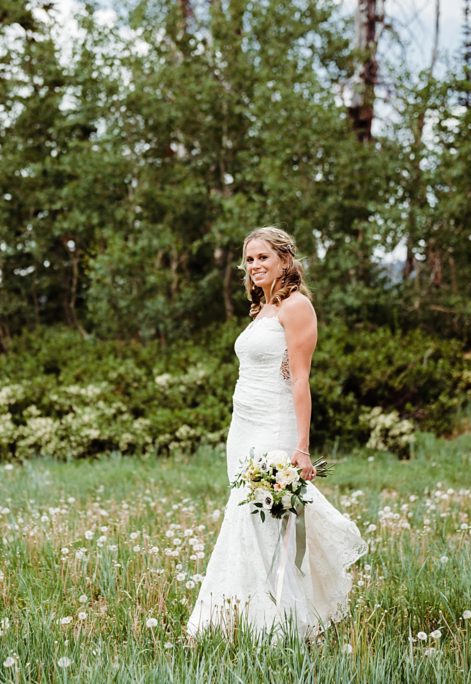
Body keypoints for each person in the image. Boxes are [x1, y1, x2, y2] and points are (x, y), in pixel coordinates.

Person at [186, 226, 368, 641]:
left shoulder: (297, 307)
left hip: (274, 426)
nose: (254, 266)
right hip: (243, 429)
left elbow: (300, 380)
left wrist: (301, 448)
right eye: (249, 259)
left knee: (265, 518)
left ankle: (279, 627)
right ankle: (241, 618)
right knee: (245, 518)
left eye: (263, 257)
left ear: (285, 260)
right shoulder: (263, 309)